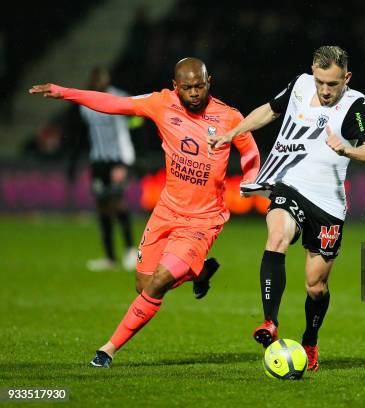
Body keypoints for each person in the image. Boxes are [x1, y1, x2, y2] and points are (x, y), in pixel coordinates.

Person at [29, 57, 260, 367]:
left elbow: (251, 152)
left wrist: (249, 179)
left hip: (203, 220)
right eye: (188, 87)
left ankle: (107, 350)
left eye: (200, 86)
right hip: (166, 210)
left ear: (209, 83)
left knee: (158, 283)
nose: (194, 93)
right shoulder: (161, 103)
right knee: (143, 284)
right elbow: (114, 103)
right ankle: (201, 271)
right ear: (176, 86)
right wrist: (65, 92)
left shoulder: (230, 117)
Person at [210, 46, 365, 371]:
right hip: (288, 183)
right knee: (276, 237)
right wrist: (234, 132)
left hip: (328, 204)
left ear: (346, 78)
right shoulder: (301, 84)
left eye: (332, 83)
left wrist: (347, 149)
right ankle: (270, 322)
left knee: (315, 286)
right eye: (320, 82)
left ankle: (310, 340)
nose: (325, 90)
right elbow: (270, 110)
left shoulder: (358, 105)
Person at [77, 67, 138, 272]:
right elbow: (86, 135)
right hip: (99, 160)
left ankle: (131, 250)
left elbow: (134, 121)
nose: (102, 81)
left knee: (117, 202)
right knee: (102, 206)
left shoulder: (118, 97)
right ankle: (110, 258)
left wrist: (124, 162)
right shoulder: (85, 102)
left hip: (118, 160)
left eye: (104, 77)